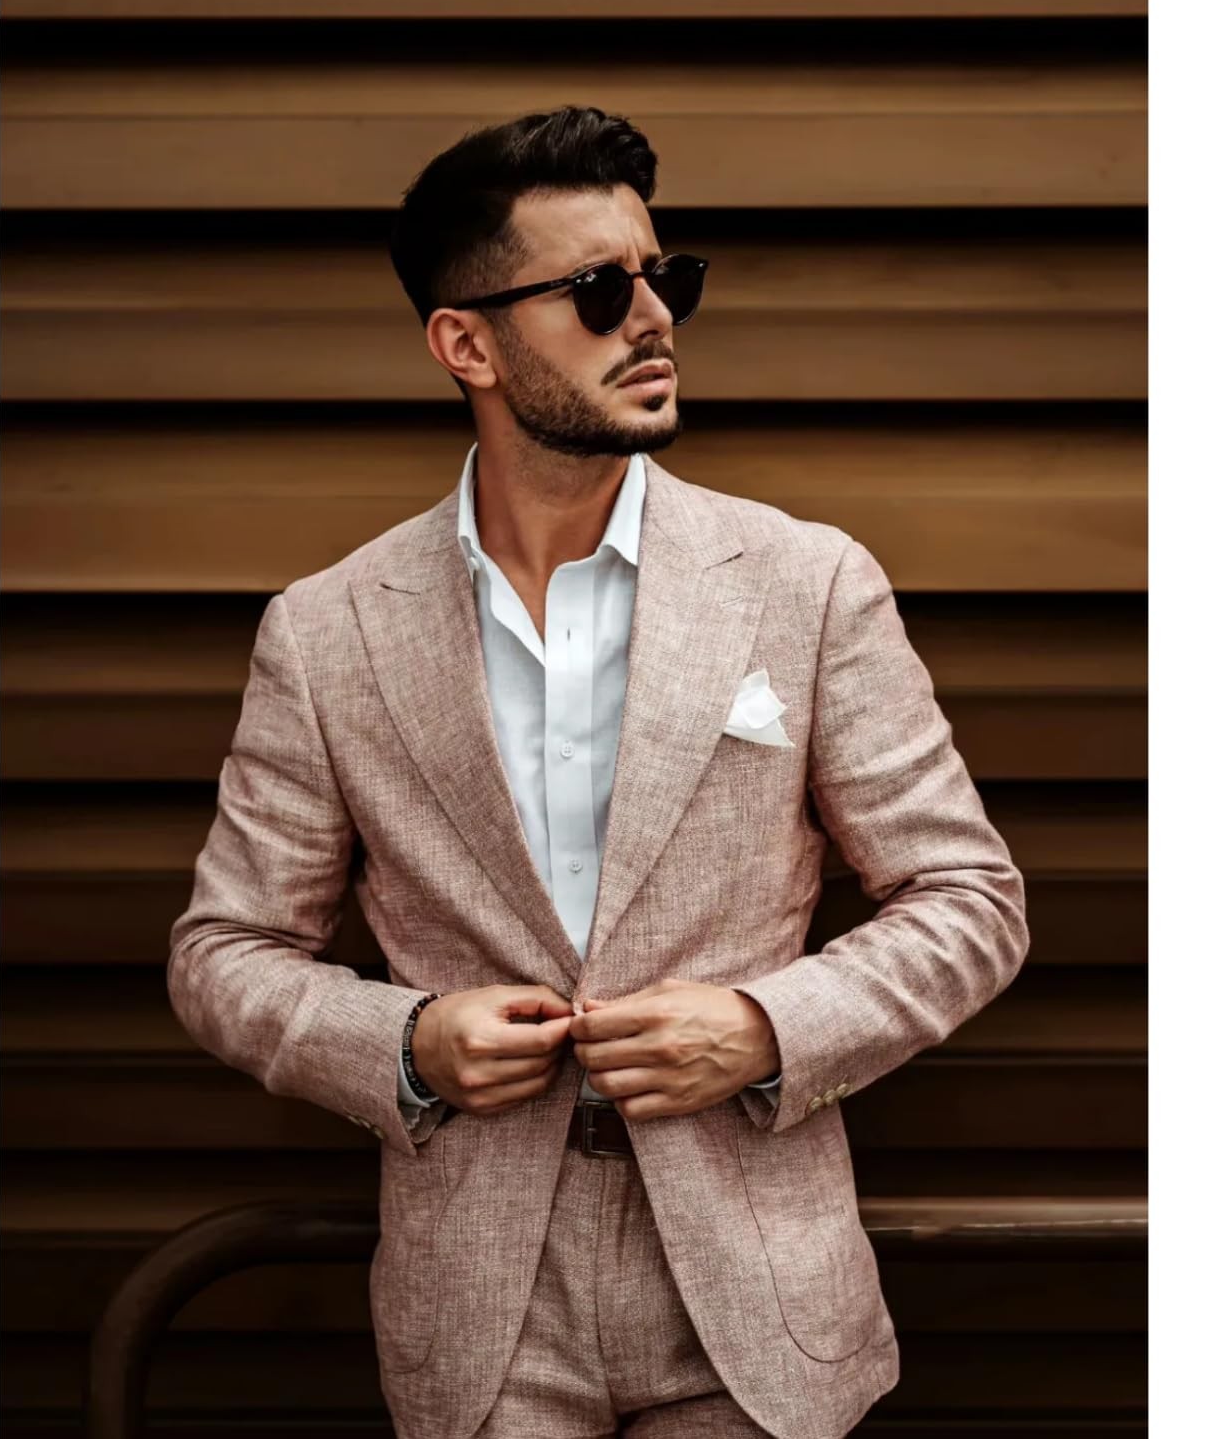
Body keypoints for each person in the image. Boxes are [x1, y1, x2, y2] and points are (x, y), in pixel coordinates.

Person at [168, 105, 1030, 1439]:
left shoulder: (804, 584)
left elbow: (969, 900)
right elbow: (224, 954)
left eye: (663, 277)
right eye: (596, 290)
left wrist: (765, 1028)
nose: (654, 318)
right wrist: (405, 1043)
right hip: (483, 1316)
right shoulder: (329, 631)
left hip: (759, 1303)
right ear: (467, 344)